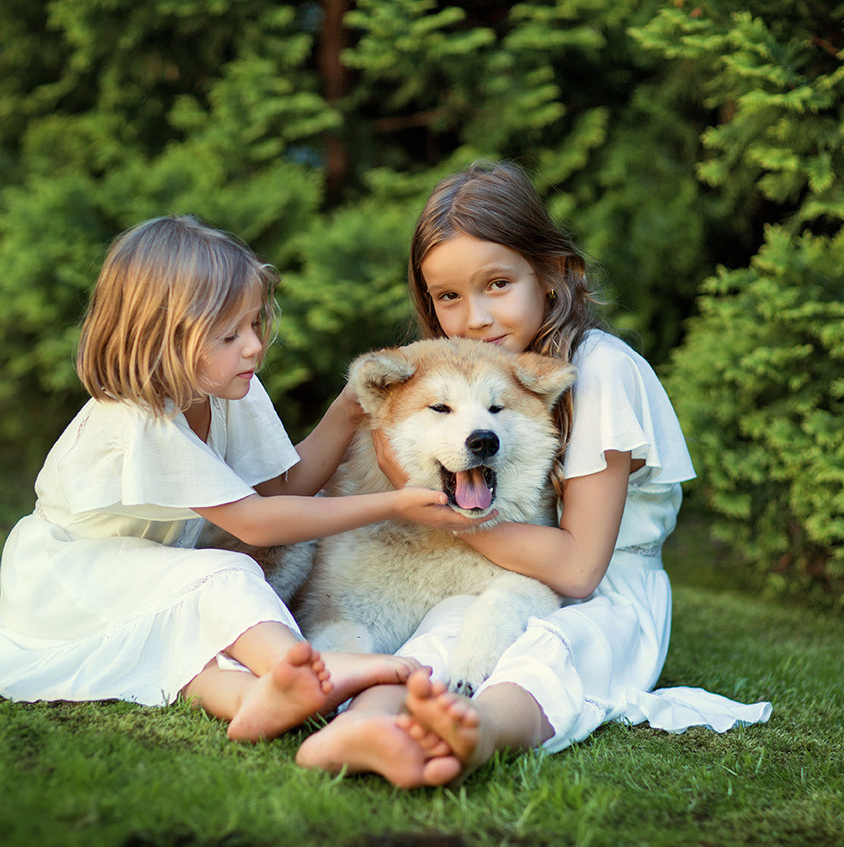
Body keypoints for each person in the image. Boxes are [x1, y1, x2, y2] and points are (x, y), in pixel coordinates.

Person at [0, 216, 492, 743]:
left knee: (195, 647)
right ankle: (312, 675)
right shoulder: (139, 417)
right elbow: (255, 520)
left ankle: (256, 700)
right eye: (230, 335)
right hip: (73, 579)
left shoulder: (230, 388)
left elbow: (285, 489)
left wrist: (345, 409)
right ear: (162, 341)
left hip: (150, 576)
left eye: (254, 323)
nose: (254, 346)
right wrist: (395, 503)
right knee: (228, 572)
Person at [295, 162, 771, 786]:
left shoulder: (601, 370)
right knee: (448, 630)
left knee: (552, 650)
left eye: (497, 284)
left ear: (554, 275)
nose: (474, 318)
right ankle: (370, 723)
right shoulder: (471, 372)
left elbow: (578, 571)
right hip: (508, 571)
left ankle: (479, 730)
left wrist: (433, 507)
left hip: (606, 596)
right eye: (448, 297)